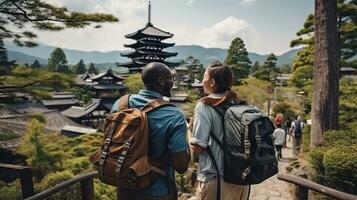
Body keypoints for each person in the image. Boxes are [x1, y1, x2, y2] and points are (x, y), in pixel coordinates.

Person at [111, 62, 190, 200]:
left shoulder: (120, 104)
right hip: (156, 190)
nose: (172, 82)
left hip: (125, 187)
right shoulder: (174, 115)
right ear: (161, 81)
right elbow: (181, 166)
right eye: (170, 79)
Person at [189, 61, 250, 200]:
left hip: (217, 180)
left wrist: (189, 133)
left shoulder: (205, 105)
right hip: (242, 179)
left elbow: (198, 147)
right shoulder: (240, 103)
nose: (202, 81)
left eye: (204, 77)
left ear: (212, 82)